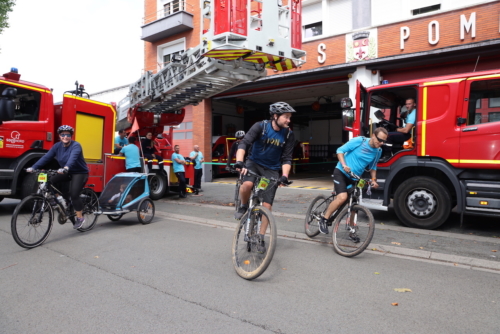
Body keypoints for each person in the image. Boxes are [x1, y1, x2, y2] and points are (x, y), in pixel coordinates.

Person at [233, 102, 295, 253]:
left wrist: (285, 175)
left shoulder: (288, 134)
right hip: (253, 163)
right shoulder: (260, 126)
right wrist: (240, 162)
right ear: (275, 116)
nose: (288, 120)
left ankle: (260, 237)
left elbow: (287, 158)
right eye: (286, 117)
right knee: (247, 185)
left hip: (271, 169)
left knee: (267, 206)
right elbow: (244, 143)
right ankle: (243, 205)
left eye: (289, 117)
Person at [318, 127, 388, 237]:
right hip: (341, 172)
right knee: (342, 197)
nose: (382, 143)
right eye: (380, 139)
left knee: (354, 204)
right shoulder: (360, 141)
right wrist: (344, 165)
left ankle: (352, 229)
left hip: (355, 178)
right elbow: (340, 151)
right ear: (373, 136)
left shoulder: (378, 151)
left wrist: (374, 180)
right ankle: (324, 218)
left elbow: (373, 166)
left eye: (384, 141)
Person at [27, 125, 89, 229]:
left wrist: (66, 167)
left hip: (80, 172)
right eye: (63, 134)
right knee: (50, 181)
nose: (65, 137)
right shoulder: (57, 146)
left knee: (74, 194)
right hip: (66, 171)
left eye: (68, 135)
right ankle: (60, 200)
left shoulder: (76, 145)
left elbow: (73, 158)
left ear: (71, 136)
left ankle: (80, 218)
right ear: (59, 136)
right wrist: (33, 167)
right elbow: (46, 157)